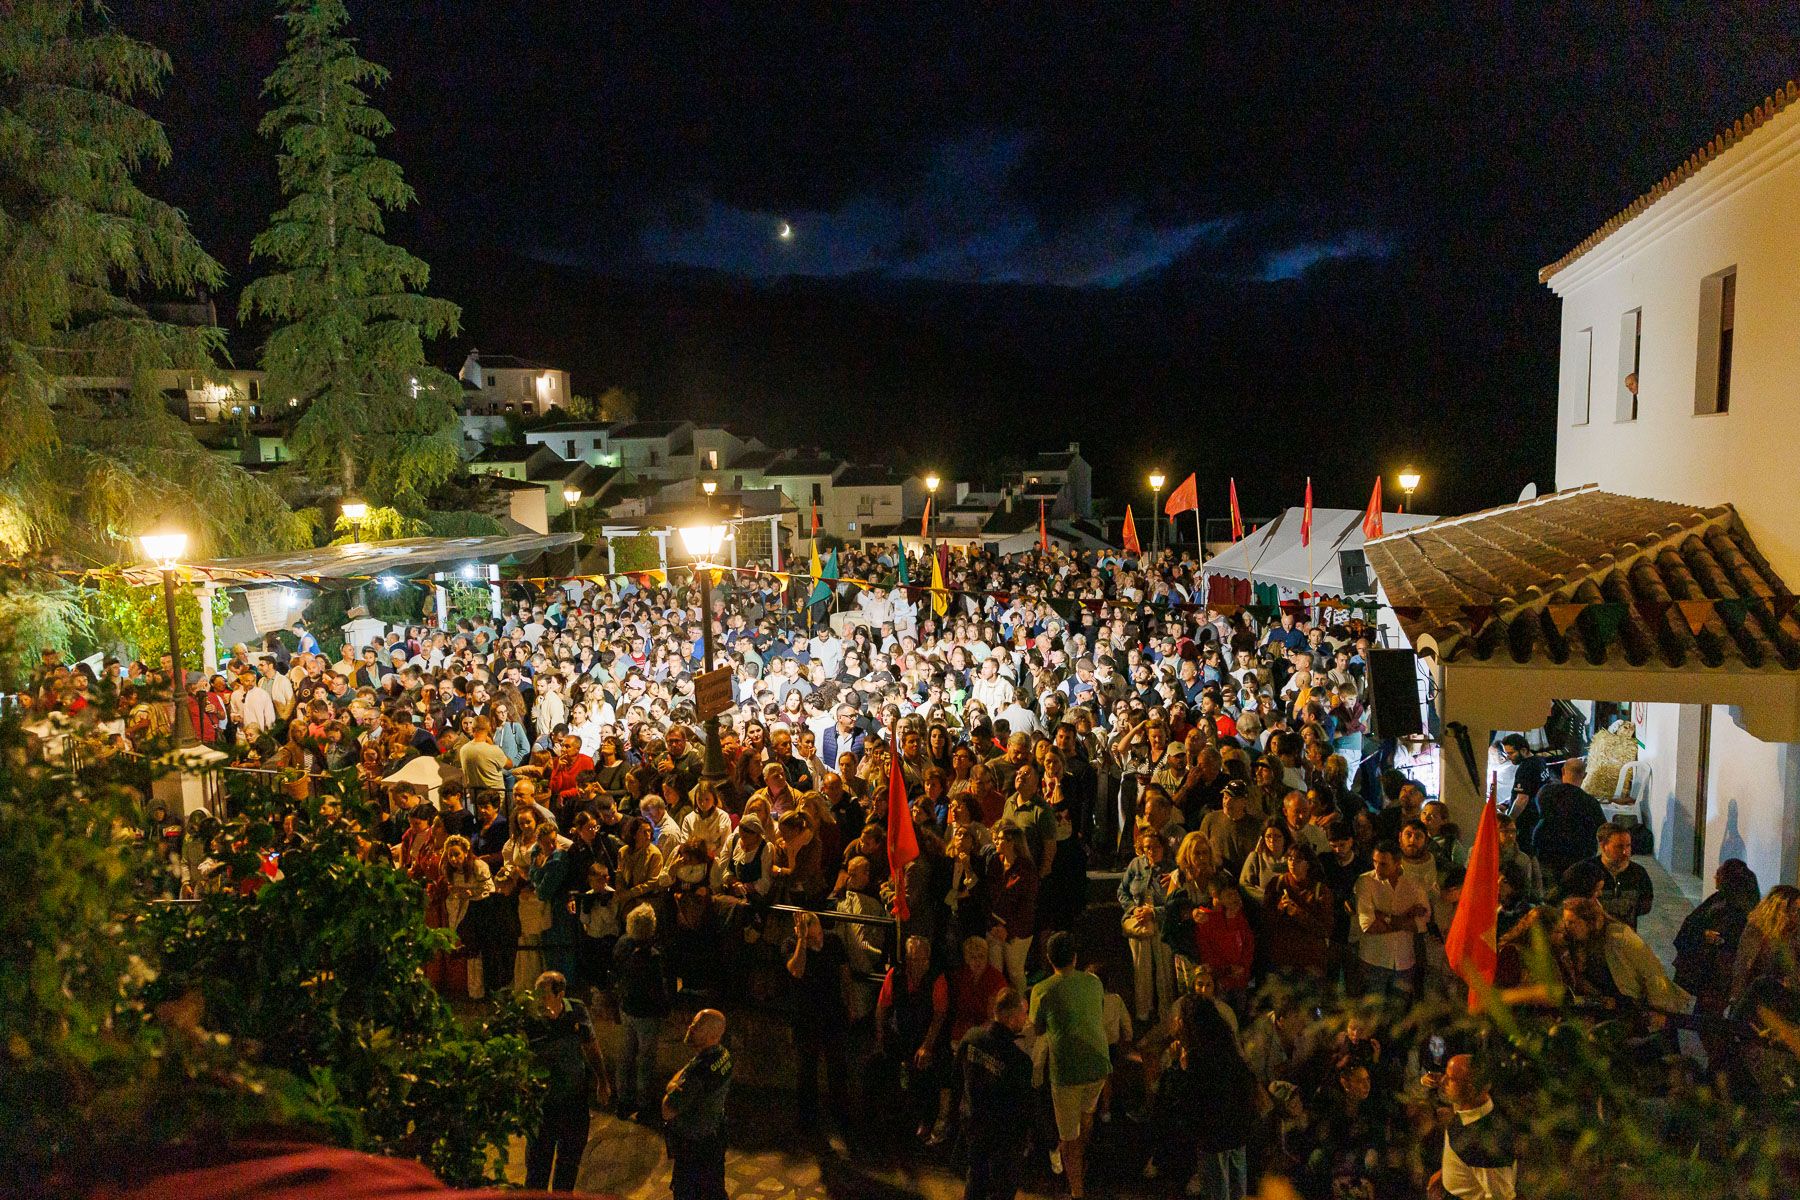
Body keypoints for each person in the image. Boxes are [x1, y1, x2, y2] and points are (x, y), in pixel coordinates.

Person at [1030, 931, 1111, 1200]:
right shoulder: (1095, 983)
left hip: (1067, 1072)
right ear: (1075, 957)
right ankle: (1080, 1157)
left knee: (1068, 1138)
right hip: (1099, 1065)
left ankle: (1077, 1190)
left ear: (1049, 959)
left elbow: (1038, 1028)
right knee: (1086, 1115)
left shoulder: (1042, 990)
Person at [523, 970, 606, 1192]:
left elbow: (591, 1047)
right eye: (537, 994)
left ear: (560, 995)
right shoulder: (530, 1019)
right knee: (537, 1170)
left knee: (568, 1166)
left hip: (574, 1102)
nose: (539, 1000)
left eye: (545, 994)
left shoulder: (577, 1011)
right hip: (543, 1105)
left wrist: (602, 1081)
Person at [958, 987, 1034, 1200]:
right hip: (1002, 1137)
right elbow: (1023, 1105)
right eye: (1024, 1013)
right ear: (1011, 1019)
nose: (1026, 1018)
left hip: (973, 1123)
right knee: (1002, 1189)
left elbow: (958, 1077)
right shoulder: (1018, 1060)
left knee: (975, 1180)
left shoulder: (971, 1038)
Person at [785, 908, 853, 1133]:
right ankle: (807, 1120)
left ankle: (840, 1116)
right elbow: (797, 970)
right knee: (806, 1070)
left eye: (812, 928)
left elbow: (844, 975)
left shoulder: (833, 942)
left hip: (833, 1014)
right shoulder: (791, 945)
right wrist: (802, 941)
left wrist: (848, 1005)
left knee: (838, 1068)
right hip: (806, 1016)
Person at [1426, 1052, 1517, 1200]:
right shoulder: (1469, 1106)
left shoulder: (1487, 1143)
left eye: (1451, 1079)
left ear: (1470, 1089)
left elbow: (1501, 1196)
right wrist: (1446, 1174)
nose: (1443, 1081)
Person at [663, 1008, 733, 1200]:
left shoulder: (697, 1073)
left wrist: (670, 1087)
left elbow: (667, 1110)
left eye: (697, 1026)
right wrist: (675, 1083)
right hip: (714, 1137)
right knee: (715, 1189)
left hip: (693, 1146)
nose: (690, 1028)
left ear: (712, 1035)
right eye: (693, 1023)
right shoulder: (723, 1055)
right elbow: (688, 1067)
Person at [614, 903, 670, 1121]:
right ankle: (644, 1105)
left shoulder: (622, 946)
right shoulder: (653, 956)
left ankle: (623, 1101)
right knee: (645, 1060)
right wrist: (665, 1008)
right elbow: (658, 989)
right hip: (647, 1014)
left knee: (625, 1055)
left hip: (627, 1007)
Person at [1355, 840, 1429, 998]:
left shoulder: (1414, 883)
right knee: (1371, 1016)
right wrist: (1406, 917)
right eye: (1374, 862)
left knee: (1398, 1017)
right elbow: (1369, 926)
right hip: (1373, 959)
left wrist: (1386, 918)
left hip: (1404, 962)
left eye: (1383, 864)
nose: (1377, 868)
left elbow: (1421, 925)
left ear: (1397, 863)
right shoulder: (1366, 881)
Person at [1560, 821, 1654, 929]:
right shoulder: (1583, 871)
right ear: (1603, 846)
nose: (1625, 852)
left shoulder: (1639, 873)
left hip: (1624, 935)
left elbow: (1646, 905)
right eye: (1619, 847)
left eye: (1628, 846)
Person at [1527, 758, 1605, 880]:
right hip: (1578, 855)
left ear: (1563, 771)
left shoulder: (1545, 792)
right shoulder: (1590, 802)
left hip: (1545, 850)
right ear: (1584, 775)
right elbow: (1602, 829)